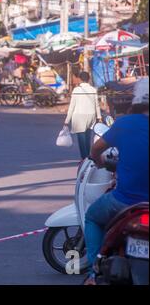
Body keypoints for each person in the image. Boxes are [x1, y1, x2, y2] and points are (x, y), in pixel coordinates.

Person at [83, 77, 149, 285]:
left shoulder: (125, 124)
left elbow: (95, 149)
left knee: (92, 217)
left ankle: (94, 272)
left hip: (124, 203)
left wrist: (99, 161)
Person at [64, 72, 102, 159]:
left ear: (80, 79)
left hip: (79, 116)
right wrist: (99, 117)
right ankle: (88, 157)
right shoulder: (93, 90)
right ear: (88, 79)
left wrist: (67, 121)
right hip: (91, 116)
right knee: (88, 138)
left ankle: (84, 159)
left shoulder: (76, 90)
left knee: (81, 140)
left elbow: (72, 107)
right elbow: (97, 105)